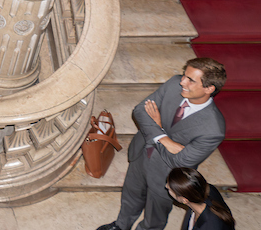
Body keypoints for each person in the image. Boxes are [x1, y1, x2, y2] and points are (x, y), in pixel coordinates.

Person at [97, 58, 228, 230]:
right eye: (184, 75)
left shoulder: (213, 129)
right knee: (131, 196)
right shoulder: (174, 84)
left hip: (166, 173)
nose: (182, 82)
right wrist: (163, 138)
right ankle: (121, 225)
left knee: (155, 216)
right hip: (141, 154)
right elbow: (140, 110)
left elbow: (179, 161)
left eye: (190, 80)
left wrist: (156, 127)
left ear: (209, 88)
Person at [165, 166, 235, 229]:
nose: (166, 186)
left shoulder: (209, 226)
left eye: (170, 189)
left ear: (184, 200)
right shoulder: (207, 189)